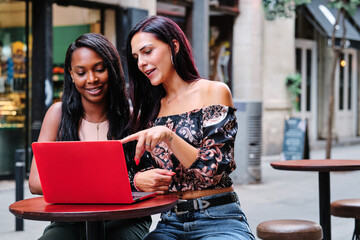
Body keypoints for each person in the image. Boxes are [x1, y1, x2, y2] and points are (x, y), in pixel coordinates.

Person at [121, 16, 255, 240]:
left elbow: (212, 170)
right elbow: (128, 170)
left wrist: (169, 136)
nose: (141, 63)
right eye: (136, 57)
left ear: (174, 46)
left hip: (219, 218)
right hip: (169, 221)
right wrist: (137, 181)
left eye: (147, 51)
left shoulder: (213, 92)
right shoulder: (148, 110)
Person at [28, 33, 151, 240]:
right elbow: (35, 182)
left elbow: (151, 178)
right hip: (70, 218)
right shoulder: (57, 114)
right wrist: (109, 184)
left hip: (125, 217)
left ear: (111, 69)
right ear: (71, 74)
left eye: (99, 69)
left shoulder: (132, 118)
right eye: (81, 72)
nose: (91, 79)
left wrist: (73, 183)